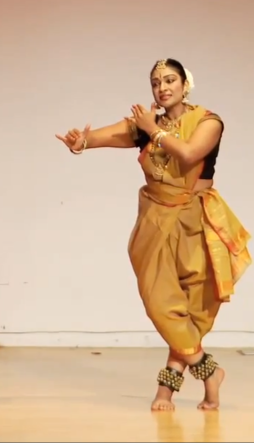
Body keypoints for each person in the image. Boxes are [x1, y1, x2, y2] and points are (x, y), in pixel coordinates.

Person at [55, 58, 250, 412]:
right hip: (156, 221)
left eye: (170, 80)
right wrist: (80, 142)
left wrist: (153, 129)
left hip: (196, 221)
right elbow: (101, 136)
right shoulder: (146, 124)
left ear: (185, 84)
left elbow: (190, 153)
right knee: (161, 304)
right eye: (156, 82)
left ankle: (168, 391)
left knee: (192, 310)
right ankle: (209, 372)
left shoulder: (208, 122)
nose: (162, 87)